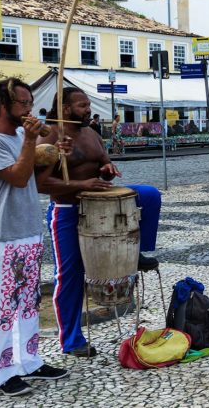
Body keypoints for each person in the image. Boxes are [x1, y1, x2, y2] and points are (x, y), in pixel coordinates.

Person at [36, 88, 162, 357]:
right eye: (82, 105)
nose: (88, 109)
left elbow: (105, 168)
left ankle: (140, 252)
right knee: (69, 275)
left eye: (88, 104)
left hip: (100, 200)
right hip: (68, 208)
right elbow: (41, 184)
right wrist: (82, 183)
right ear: (66, 108)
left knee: (149, 195)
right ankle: (71, 340)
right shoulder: (50, 134)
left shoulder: (92, 133)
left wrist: (107, 170)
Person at [0, 79, 70, 396]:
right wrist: (30, 140)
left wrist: (55, 155)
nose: (30, 109)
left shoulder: (17, 136)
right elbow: (16, 177)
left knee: (28, 302)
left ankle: (30, 360)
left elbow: (36, 183)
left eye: (30, 103)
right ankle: (3, 372)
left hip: (27, 229)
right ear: (2, 106)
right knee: (2, 308)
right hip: (3, 235)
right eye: (23, 103)